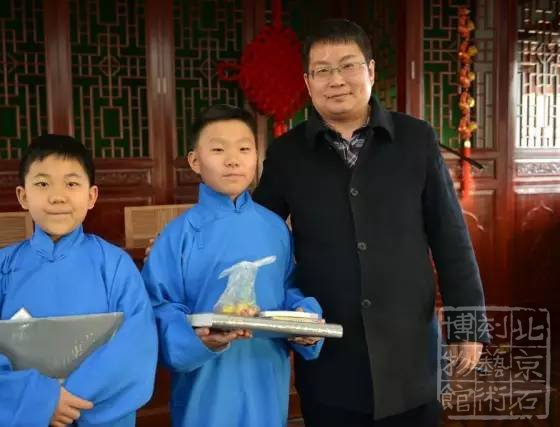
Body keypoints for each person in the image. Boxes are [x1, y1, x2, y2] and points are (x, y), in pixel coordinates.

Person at [252, 19, 489, 427]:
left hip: (410, 352)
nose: (336, 80)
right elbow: (258, 235)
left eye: (348, 65)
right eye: (322, 70)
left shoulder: (415, 139)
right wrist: (196, 240)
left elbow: (450, 236)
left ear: (371, 71)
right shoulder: (287, 154)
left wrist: (467, 325)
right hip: (331, 355)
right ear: (308, 82)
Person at [0, 134, 158, 427]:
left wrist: (65, 401)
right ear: (23, 196)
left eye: (71, 184)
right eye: (42, 184)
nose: (58, 196)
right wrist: (38, 401)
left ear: (91, 196)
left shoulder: (115, 266)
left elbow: (136, 345)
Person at [142, 104, 323, 427]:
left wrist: (304, 319)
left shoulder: (275, 227)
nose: (233, 160)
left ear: (257, 157)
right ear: (194, 161)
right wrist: (196, 341)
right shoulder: (177, 235)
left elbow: (289, 288)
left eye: (244, 149)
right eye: (218, 149)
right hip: (206, 385)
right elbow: (158, 308)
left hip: (266, 373)